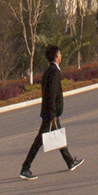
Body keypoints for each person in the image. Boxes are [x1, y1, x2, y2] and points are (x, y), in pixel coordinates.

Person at [17, 45, 83, 177]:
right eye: (60, 53)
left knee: (56, 136)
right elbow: (51, 94)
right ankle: (25, 168)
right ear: (56, 55)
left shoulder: (48, 71)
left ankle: (70, 162)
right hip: (50, 114)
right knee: (39, 141)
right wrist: (53, 113)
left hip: (49, 112)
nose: (61, 56)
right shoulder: (54, 72)